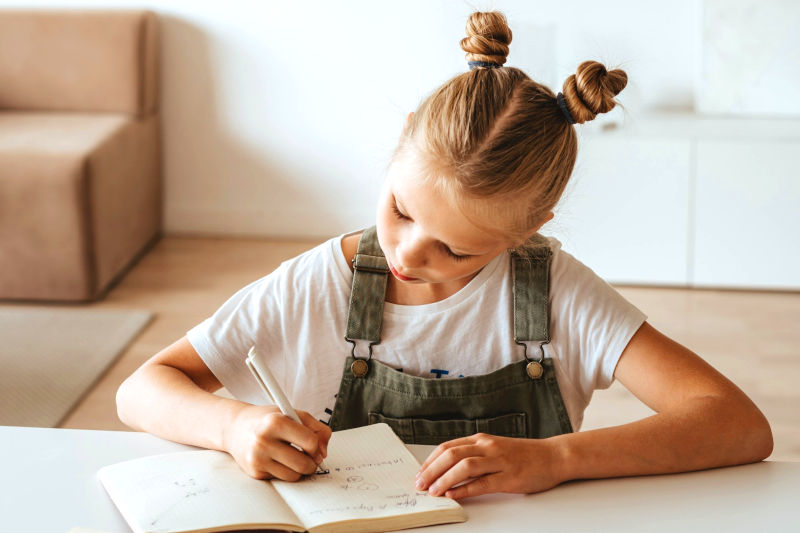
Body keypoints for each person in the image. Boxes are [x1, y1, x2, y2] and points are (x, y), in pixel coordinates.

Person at [116, 11, 773, 500]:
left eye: (456, 248)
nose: (406, 250)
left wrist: (558, 459)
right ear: (403, 140)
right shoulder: (320, 283)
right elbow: (142, 389)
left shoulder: (556, 294)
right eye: (401, 210)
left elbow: (738, 424)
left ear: (528, 229)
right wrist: (233, 426)